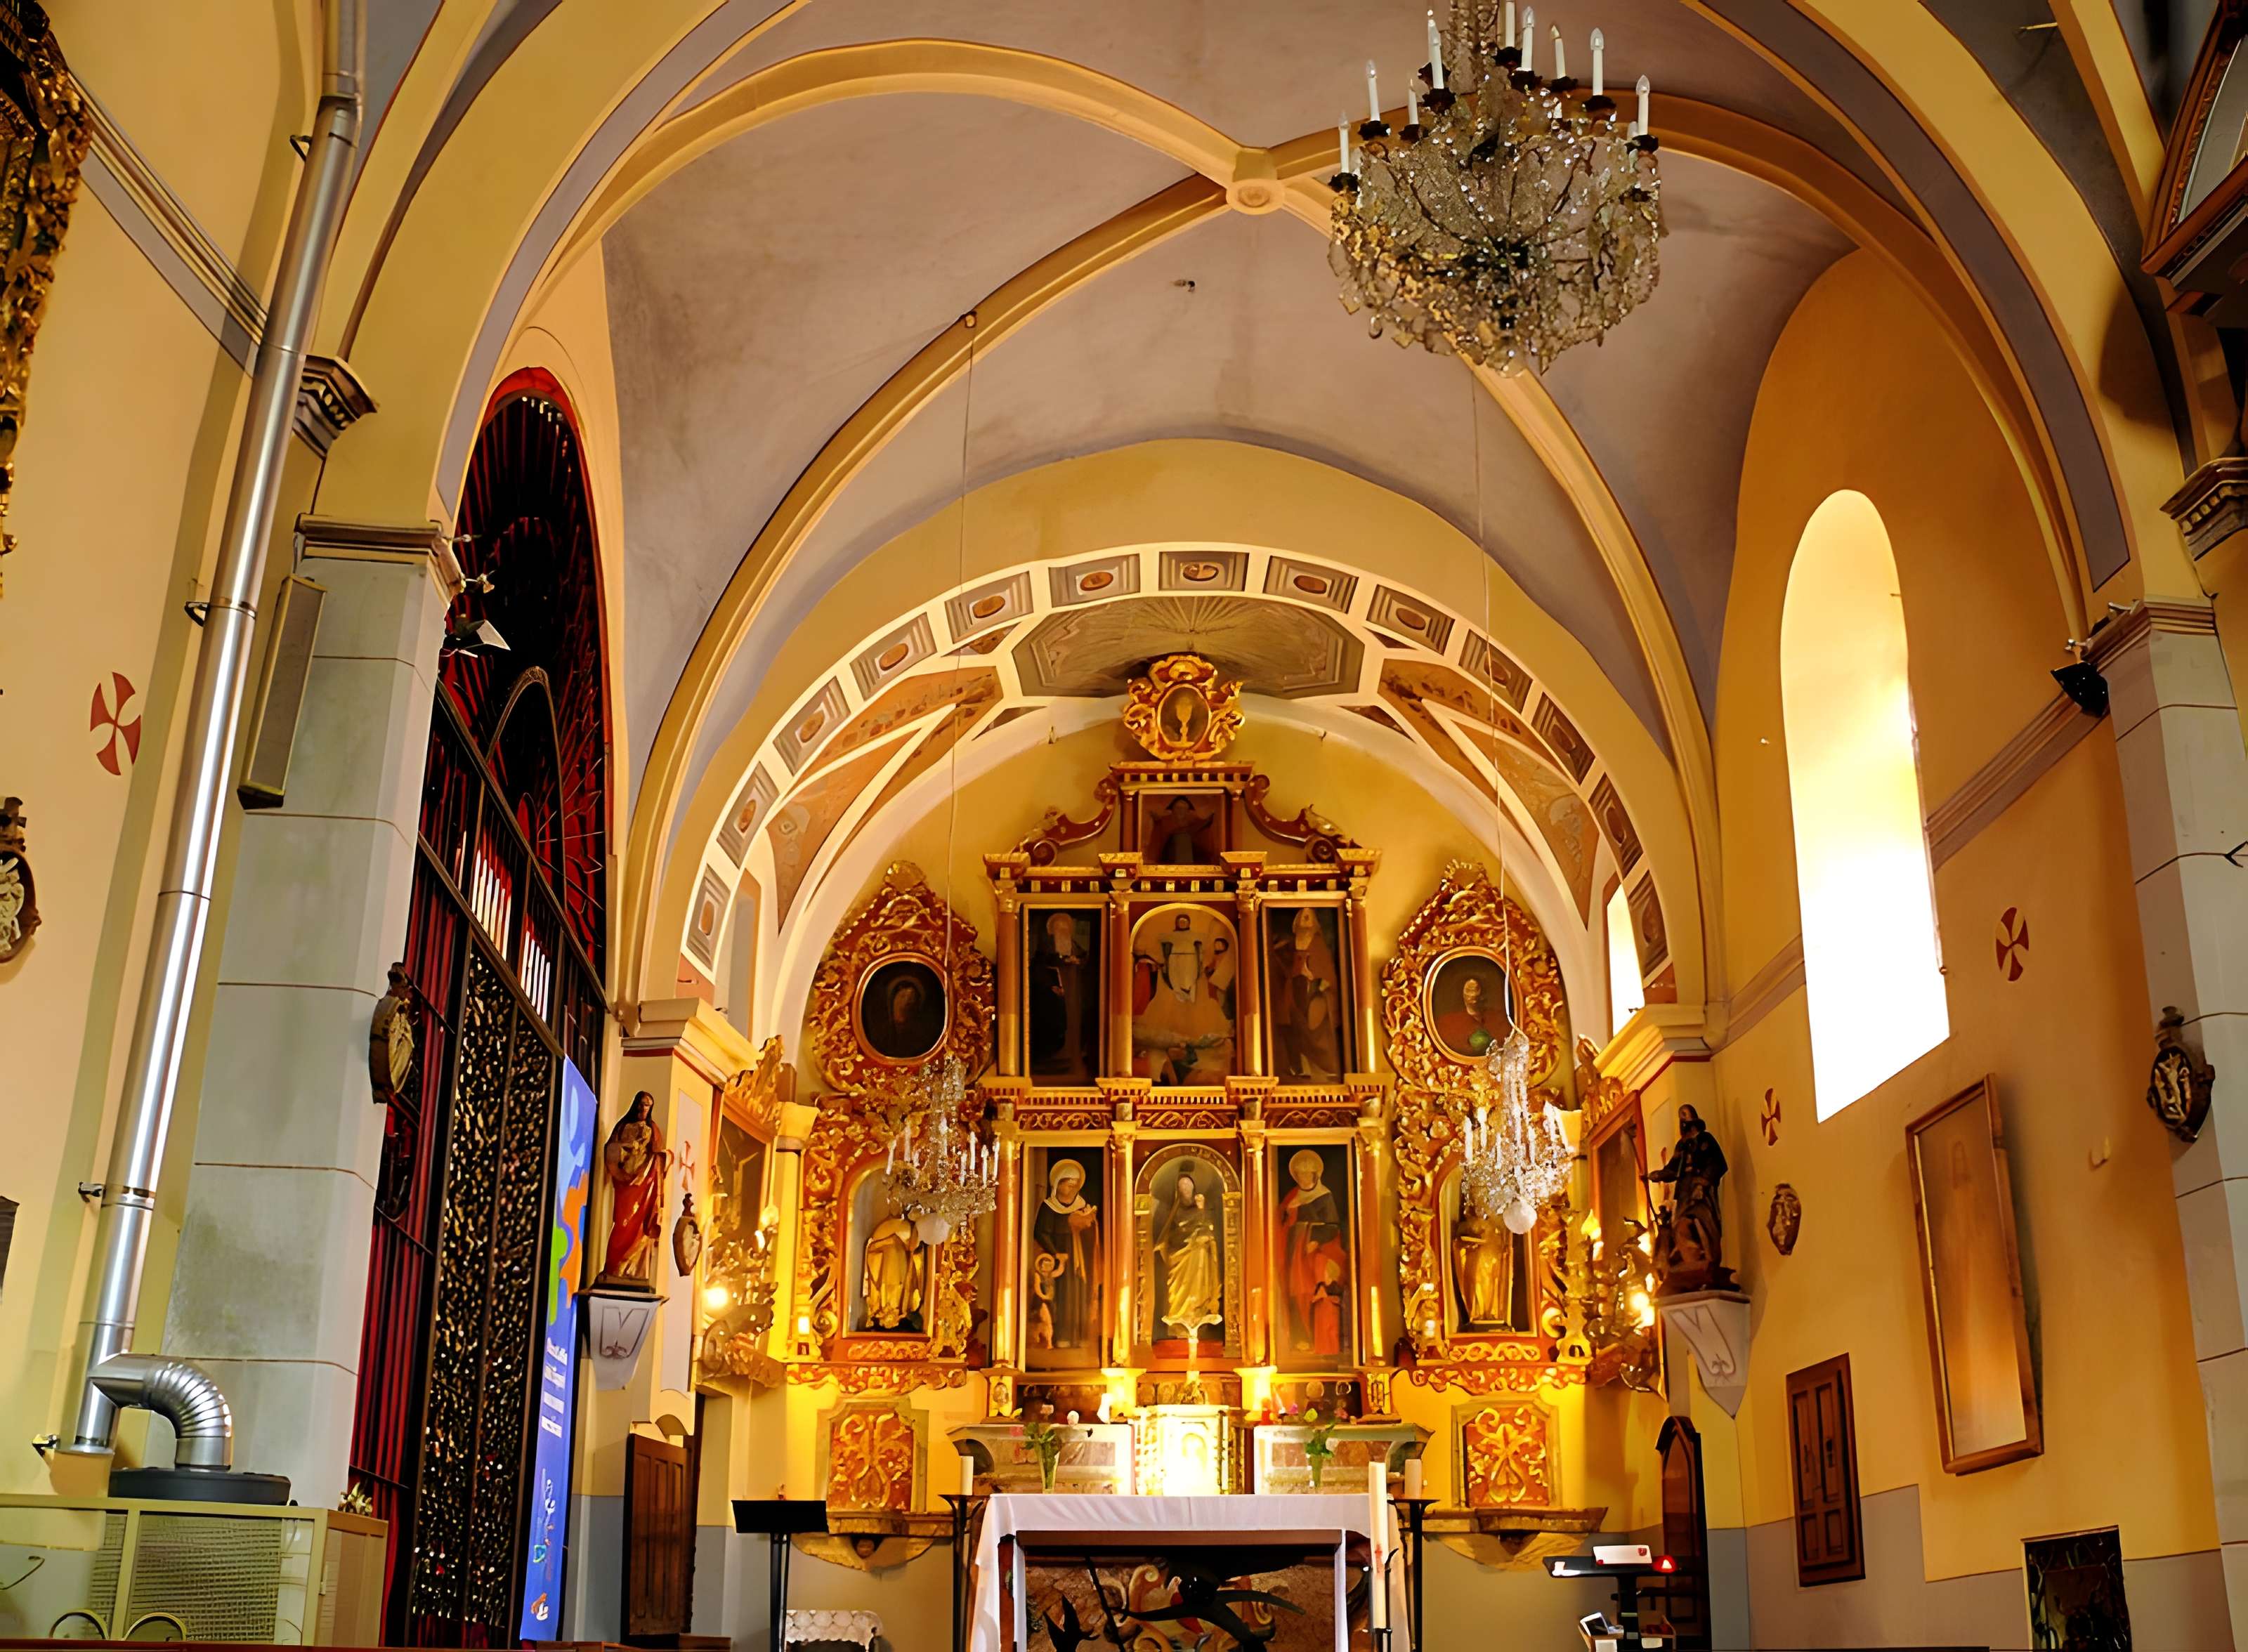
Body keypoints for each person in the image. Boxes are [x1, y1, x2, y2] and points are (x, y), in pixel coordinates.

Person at [1646, 1104, 1732, 1292]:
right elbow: (1674, 1168)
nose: (1684, 1124)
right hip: (1685, 1191)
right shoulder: (1682, 1145)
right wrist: (1659, 1175)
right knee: (1681, 1228)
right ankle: (1694, 1262)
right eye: (1682, 1121)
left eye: (1686, 1120)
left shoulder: (1706, 1140)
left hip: (1701, 1191)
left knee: (1698, 1224)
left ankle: (1707, 1259)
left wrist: (1703, 1183)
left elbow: (1718, 1163)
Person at [1279, 1149, 1348, 1356]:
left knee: (1309, 1291)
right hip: (1295, 1249)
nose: (1303, 1178)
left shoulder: (1325, 1196)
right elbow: (1280, 1221)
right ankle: (1300, 1338)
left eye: (1307, 1174)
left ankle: (1314, 1340)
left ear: (1315, 1175)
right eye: (1299, 1174)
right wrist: (1288, 1212)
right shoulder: (1293, 1196)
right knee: (1294, 1292)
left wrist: (1315, 1238)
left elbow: (1333, 1226)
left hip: (1315, 1249)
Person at [598, 1092, 669, 1287]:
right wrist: (623, 1156)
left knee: (639, 1227)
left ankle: (631, 1270)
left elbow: (658, 1155)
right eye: (641, 1104)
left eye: (647, 1106)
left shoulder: (652, 1129)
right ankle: (613, 1267)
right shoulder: (623, 1127)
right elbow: (611, 1151)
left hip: (644, 1185)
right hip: (625, 1184)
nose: (643, 1109)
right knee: (622, 1222)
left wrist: (659, 1160)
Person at [1030, 1158, 1101, 1352]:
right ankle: (1061, 1336)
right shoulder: (1049, 1207)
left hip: (1080, 1257)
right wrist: (1056, 1253)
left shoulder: (1081, 1204)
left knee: (1080, 1294)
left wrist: (1088, 1221)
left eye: (1074, 1185)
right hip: (1058, 1260)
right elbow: (1041, 1232)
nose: (1071, 1189)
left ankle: (1080, 1336)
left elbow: (1092, 1233)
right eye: (1067, 1184)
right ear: (1058, 1183)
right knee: (1061, 1297)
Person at [1270, 907, 1342, 1080]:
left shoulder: (1318, 944)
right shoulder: (1292, 942)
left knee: (1308, 1027)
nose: (1306, 921)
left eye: (1309, 917)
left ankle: (1323, 1065)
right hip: (1294, 989)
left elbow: (1325, 973)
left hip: (1313, 990)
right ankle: (1299, 1067)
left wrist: (1315, 980)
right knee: (1292, 1026)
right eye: (1303, 917)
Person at [1029, 911, 1095, 1081]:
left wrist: (1078, 961)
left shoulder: (1074, 946)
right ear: (1052, 930)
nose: (1063, 931)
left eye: (1066, 928)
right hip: (1053, 997)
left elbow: (1084, 960)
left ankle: (1073, 1055)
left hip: (1074, 990)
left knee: (1074, 1021)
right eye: (1059, 928)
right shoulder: (1046, 949)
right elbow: (1040, 967)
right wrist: (1051, 984)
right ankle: (1055, 1058)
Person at [1160, 1166, 1223, 1342]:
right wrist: (1186, 1240)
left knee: (1199, 1285)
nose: (1186, 1188)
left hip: (1198, 1256)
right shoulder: (1175, 1212)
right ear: (1178, 1190)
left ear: (1194, 1187)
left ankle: (1198, 1316)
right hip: (1180, 1257)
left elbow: (1210, 1229)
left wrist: (1202, 1212)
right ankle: (1178, 1323)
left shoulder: (1202, 1207)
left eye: (1188, 1184)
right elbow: (1169, 1236)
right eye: (1182, 1186)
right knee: (1177, 1291)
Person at [861, 1202, 924, 1330]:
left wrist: (912, 1246)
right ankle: (883, 1309)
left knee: (901, 1288)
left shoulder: (907, 1227)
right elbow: (872, 1248)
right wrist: (889, 1241)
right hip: (886, 1265)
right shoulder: (883, 1227)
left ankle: (901, 1311)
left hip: (901, 1263)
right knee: (885, 1287)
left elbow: (914, 1250)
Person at [1453, 1202, 1516, 1328]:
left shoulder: (1493, 1225)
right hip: (1475, 1259)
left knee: (1490, 1285)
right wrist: (1469, 1243)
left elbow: (1499, 1239)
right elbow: (1460, 1239)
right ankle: (1477, 1312)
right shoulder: (1469, 1224)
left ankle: (1489, 1312)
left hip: (1490, 1258)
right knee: (1476, 1283)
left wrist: (1502, 1248)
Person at [1435, 971, 1504, 1057]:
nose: (1473, 996)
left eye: (1476, 990)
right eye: (1469, 991)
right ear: (1463, 994)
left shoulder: (1499, 1018)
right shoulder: (1447, 1023)